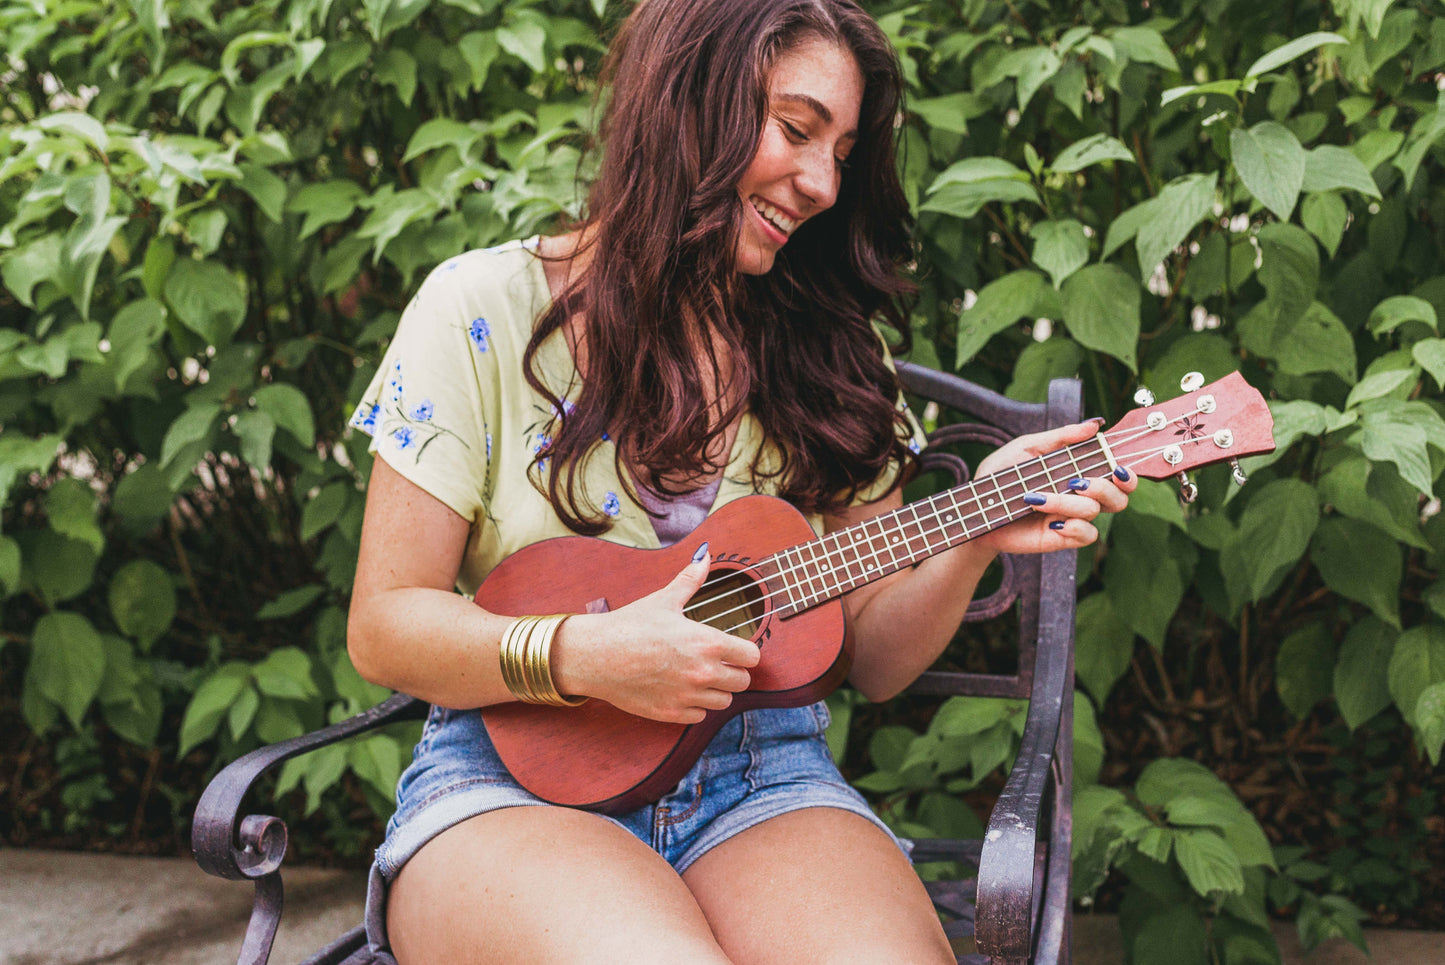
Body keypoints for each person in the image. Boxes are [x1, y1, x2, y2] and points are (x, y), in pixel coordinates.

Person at [345, 0, 1134, 961]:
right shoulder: (479, 308)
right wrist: (582, 655)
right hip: (511, 777)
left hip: (758, 777)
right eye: (796, 129)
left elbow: (875, 658)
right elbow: (385, 624)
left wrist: (968, 533)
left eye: (840, 152)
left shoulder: (830, 353)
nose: (818, 182)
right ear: (685, 100)